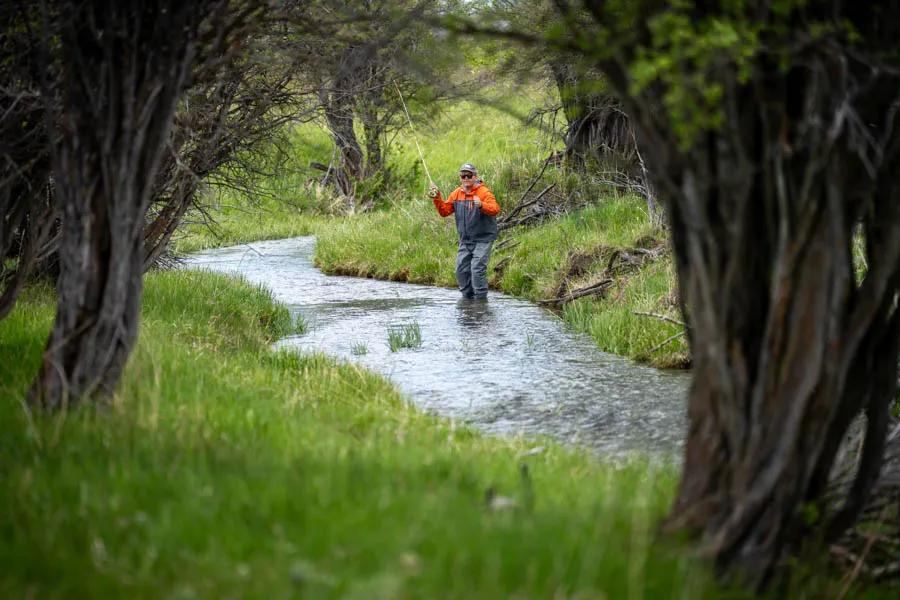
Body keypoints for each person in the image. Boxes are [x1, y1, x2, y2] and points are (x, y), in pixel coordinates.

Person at [429, 163, 501, 300]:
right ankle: (468, 301)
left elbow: (495, 209)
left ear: (475, 177)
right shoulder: (456, 193)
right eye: (463, 175)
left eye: (469, 175)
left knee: (477, 269)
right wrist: (436, 197)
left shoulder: (484, 192)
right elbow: (444, 211)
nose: (466, 178)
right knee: (460, 271)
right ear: (460, 177)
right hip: (465, 240)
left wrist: (481, 205)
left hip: (483, 238)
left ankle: (481, 302)